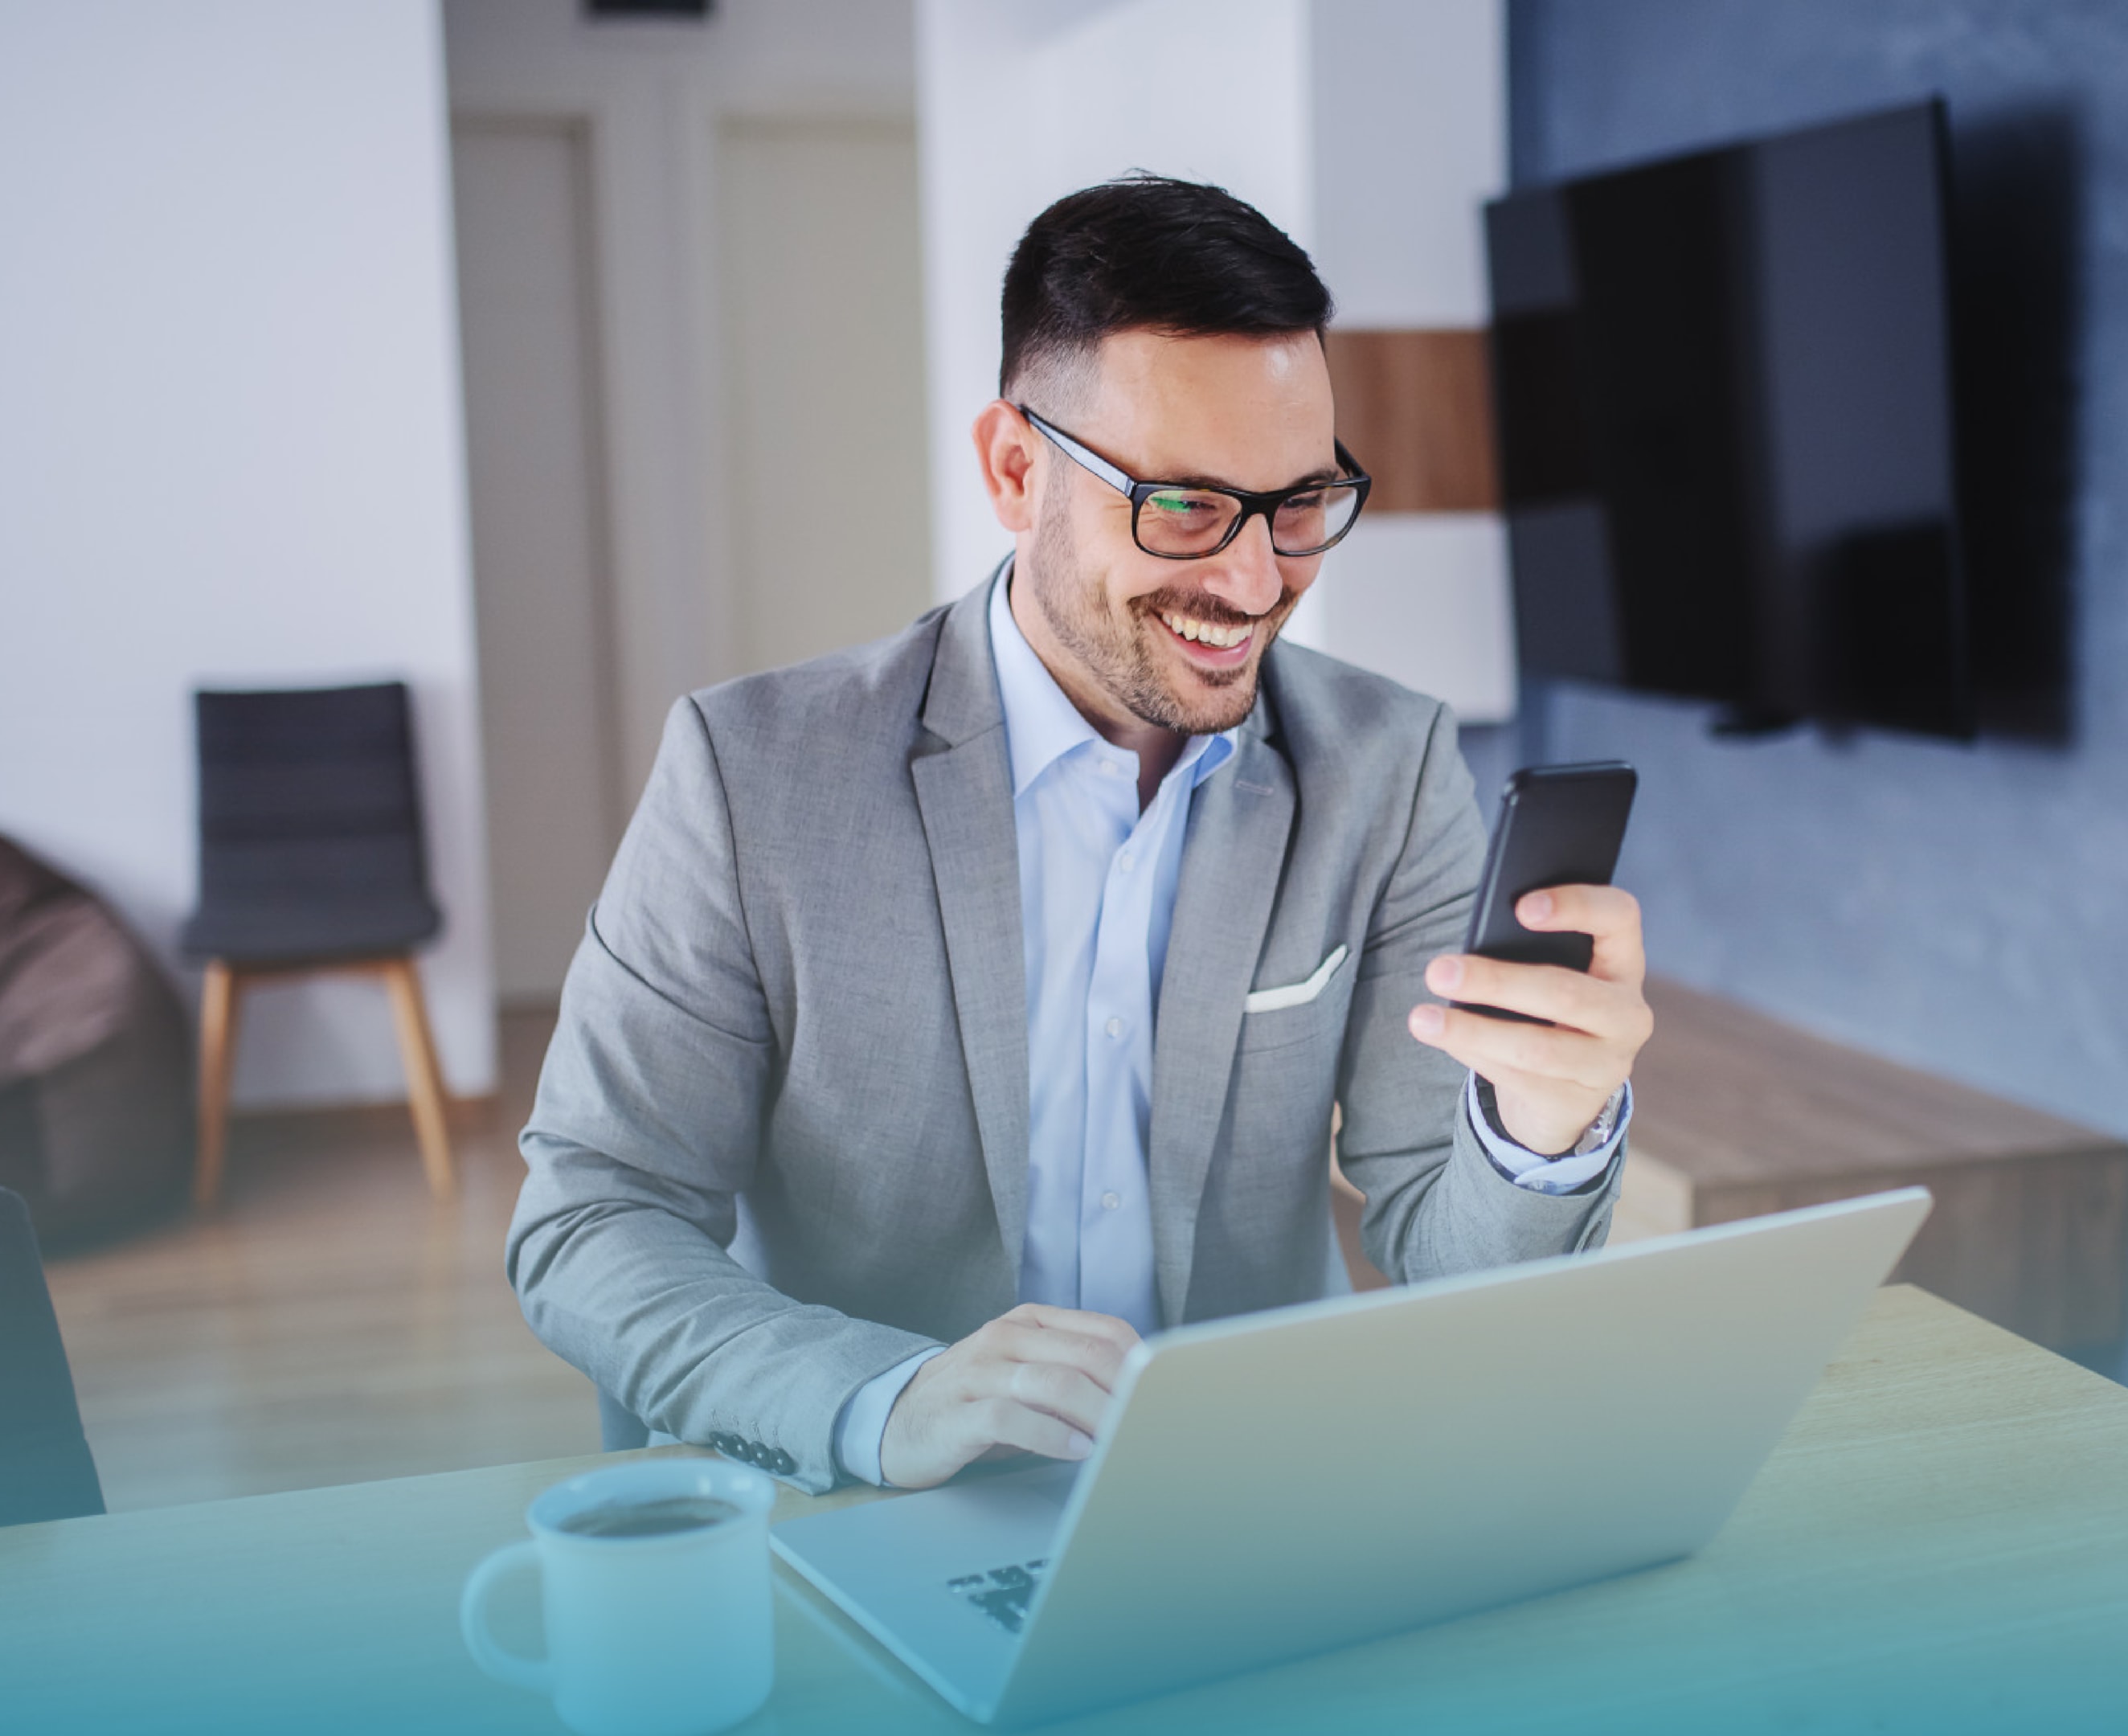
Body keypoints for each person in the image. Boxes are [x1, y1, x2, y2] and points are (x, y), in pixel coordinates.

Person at [507, 174, 1655, 1494]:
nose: (1252, 580)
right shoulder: (751, 775)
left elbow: (1441, 1260)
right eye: (1182, 505)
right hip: (881, 1508)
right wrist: (881, 1403)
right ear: (1014, 469)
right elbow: (595, 1215)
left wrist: (1539, 1130)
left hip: (1242, 1505)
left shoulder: (1387, 769)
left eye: (1299, 503)